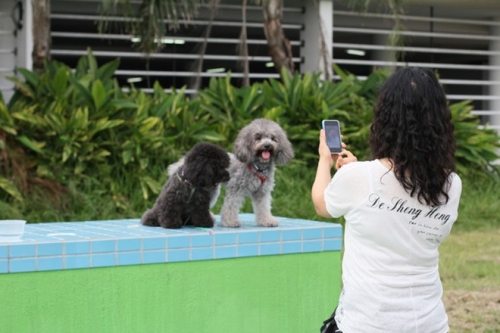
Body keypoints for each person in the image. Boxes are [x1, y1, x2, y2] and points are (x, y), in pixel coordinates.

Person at [311, 67, 462, 333]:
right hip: (430, 324)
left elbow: (322, 205)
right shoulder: (451, 184)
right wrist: (355, 175)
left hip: (368, 324)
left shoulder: (361, 177)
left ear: (386, 118)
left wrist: (325, 159)